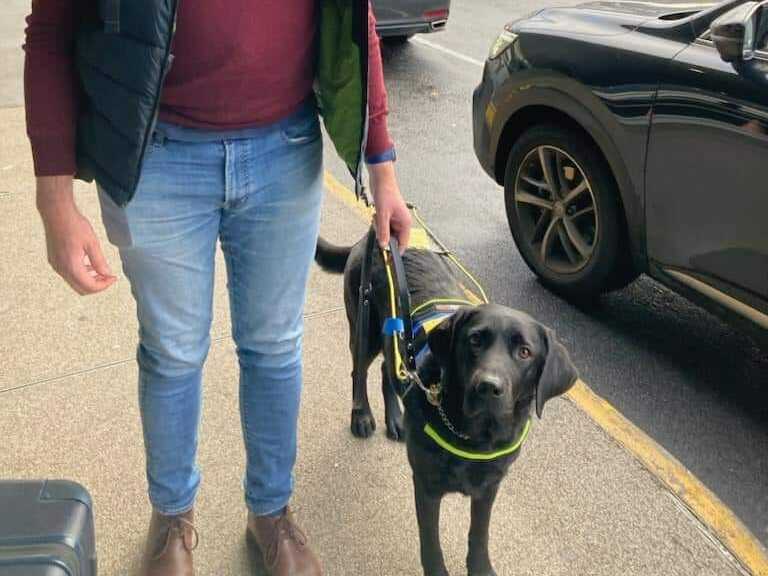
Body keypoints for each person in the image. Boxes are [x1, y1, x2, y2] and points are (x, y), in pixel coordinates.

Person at [24, 2, 411, 575]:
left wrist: (384, 168)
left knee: (275, 346)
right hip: (154, 157)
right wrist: (54, 197)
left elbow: (357, 19)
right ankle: (172, 518)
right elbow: (51, 30)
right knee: (173, 351)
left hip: (285, 150)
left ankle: (271, 513)